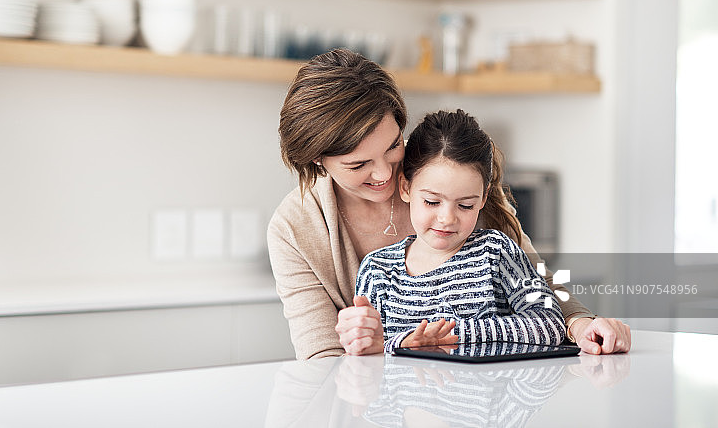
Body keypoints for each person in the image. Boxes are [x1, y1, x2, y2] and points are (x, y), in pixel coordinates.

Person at [267, 48, 631, 359]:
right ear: (317, 160)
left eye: (393, 146)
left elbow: (539, 281)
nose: (384, 174)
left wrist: (581, 322)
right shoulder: (295, 228)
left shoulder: (449, 181)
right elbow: (323, 358)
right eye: (357, 164)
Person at [355, 109, 565, 354]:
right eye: (432, 202)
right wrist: (402, 345)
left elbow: (550, 324)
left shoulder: (495, 252)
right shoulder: (377, 271)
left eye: (465, 205)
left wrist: (457, 334)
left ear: (483, 198)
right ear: (405, 188)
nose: (447, 219)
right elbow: (366, 355)